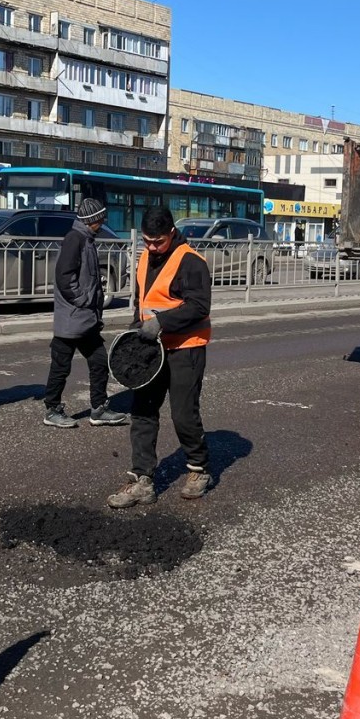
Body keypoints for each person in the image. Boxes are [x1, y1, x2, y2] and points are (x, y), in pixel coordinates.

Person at [107, 206, 212, 508]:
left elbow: (198, 306)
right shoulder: (143, 259)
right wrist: (134, 333)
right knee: (142, 412)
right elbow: (142, 302)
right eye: (147, 241)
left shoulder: (191, 262)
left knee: (183, 414)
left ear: (172, 233)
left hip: (186, 347)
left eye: (158, 242)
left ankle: (198, 468)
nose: (152, 247)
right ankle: (142, 480)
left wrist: (162, 324)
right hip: (152, 350)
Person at [41, 197, 128, 429]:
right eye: (101, 218)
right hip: (72, 318)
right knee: (61, 366)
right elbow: (64, 277)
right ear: (93, 220)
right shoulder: (75, 239)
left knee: (99, 362)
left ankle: (98, 409)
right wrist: (82, 299)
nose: (103, 222)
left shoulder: (86, 239)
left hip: (85, 318)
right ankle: (52, 409)